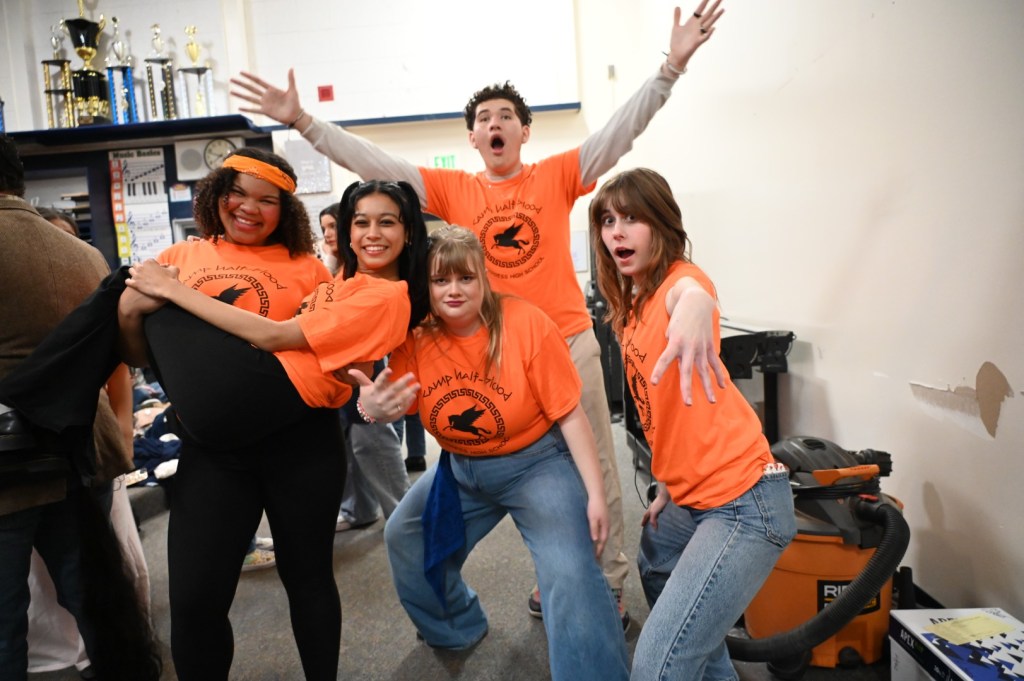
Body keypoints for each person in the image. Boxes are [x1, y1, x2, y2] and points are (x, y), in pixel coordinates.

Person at [230, 0, 725, 625]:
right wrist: (303, 120)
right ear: (472, 137)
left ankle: (608, 585)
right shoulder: (454, 189)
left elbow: (618, 133)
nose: (495, 124)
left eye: (506, 117)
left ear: (524, 132)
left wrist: (670, 69)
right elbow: (375, 163)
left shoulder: (555, 175)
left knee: (594, 467)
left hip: (566, 340)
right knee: (526, 472)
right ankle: (555, 571)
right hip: (494, 352)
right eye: (484, 118)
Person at [0, 151, 394, 681]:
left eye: (267, 200)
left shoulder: (308, 268)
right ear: (216, 194)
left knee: (309, 579)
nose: (249, 208)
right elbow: (138, 353)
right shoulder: (178, 257)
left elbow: (321, 352)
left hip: (299, 444)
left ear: (285, 210)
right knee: (194, 599)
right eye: (238, 192)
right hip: (214, 450)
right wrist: (131, 311)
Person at [353, 225, 629, 681]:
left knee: (570, 574)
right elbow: (394, 404)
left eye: (465, 278)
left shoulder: (526, 323)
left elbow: (571, 416)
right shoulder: (417, 334)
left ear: (483, 278)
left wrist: (596, 496)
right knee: (405, 535)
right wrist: (370, 409)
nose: (454, 290)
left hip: (536, 464)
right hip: (460, 470)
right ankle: (457, 628)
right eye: (441, 280)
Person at [588, 168, 797, 680]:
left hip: (745, 503)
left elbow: (694, 292)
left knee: (657, 667)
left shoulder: (679, 283)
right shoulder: (632, 303)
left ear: (661, 224)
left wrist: (698, 305)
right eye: (608, 221)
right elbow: (663, 412)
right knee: (656, 560)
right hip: (692, 496)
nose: (617, 232)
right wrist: (667, 482)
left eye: (631, 218)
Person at [0, 134, 159, 681]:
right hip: (80, 449)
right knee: (98, 603)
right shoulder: (83, 253)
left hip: (8, 464)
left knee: (4, 622)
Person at [315, 200, 412, 531]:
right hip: (339, 382)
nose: (329, 233)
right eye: (324, 228)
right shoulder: (336, 270)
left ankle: (405, 518)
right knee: (351, 450)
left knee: (374, 445)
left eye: (334, 226)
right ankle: (360, 510)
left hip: (368, 376)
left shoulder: (368, 272)